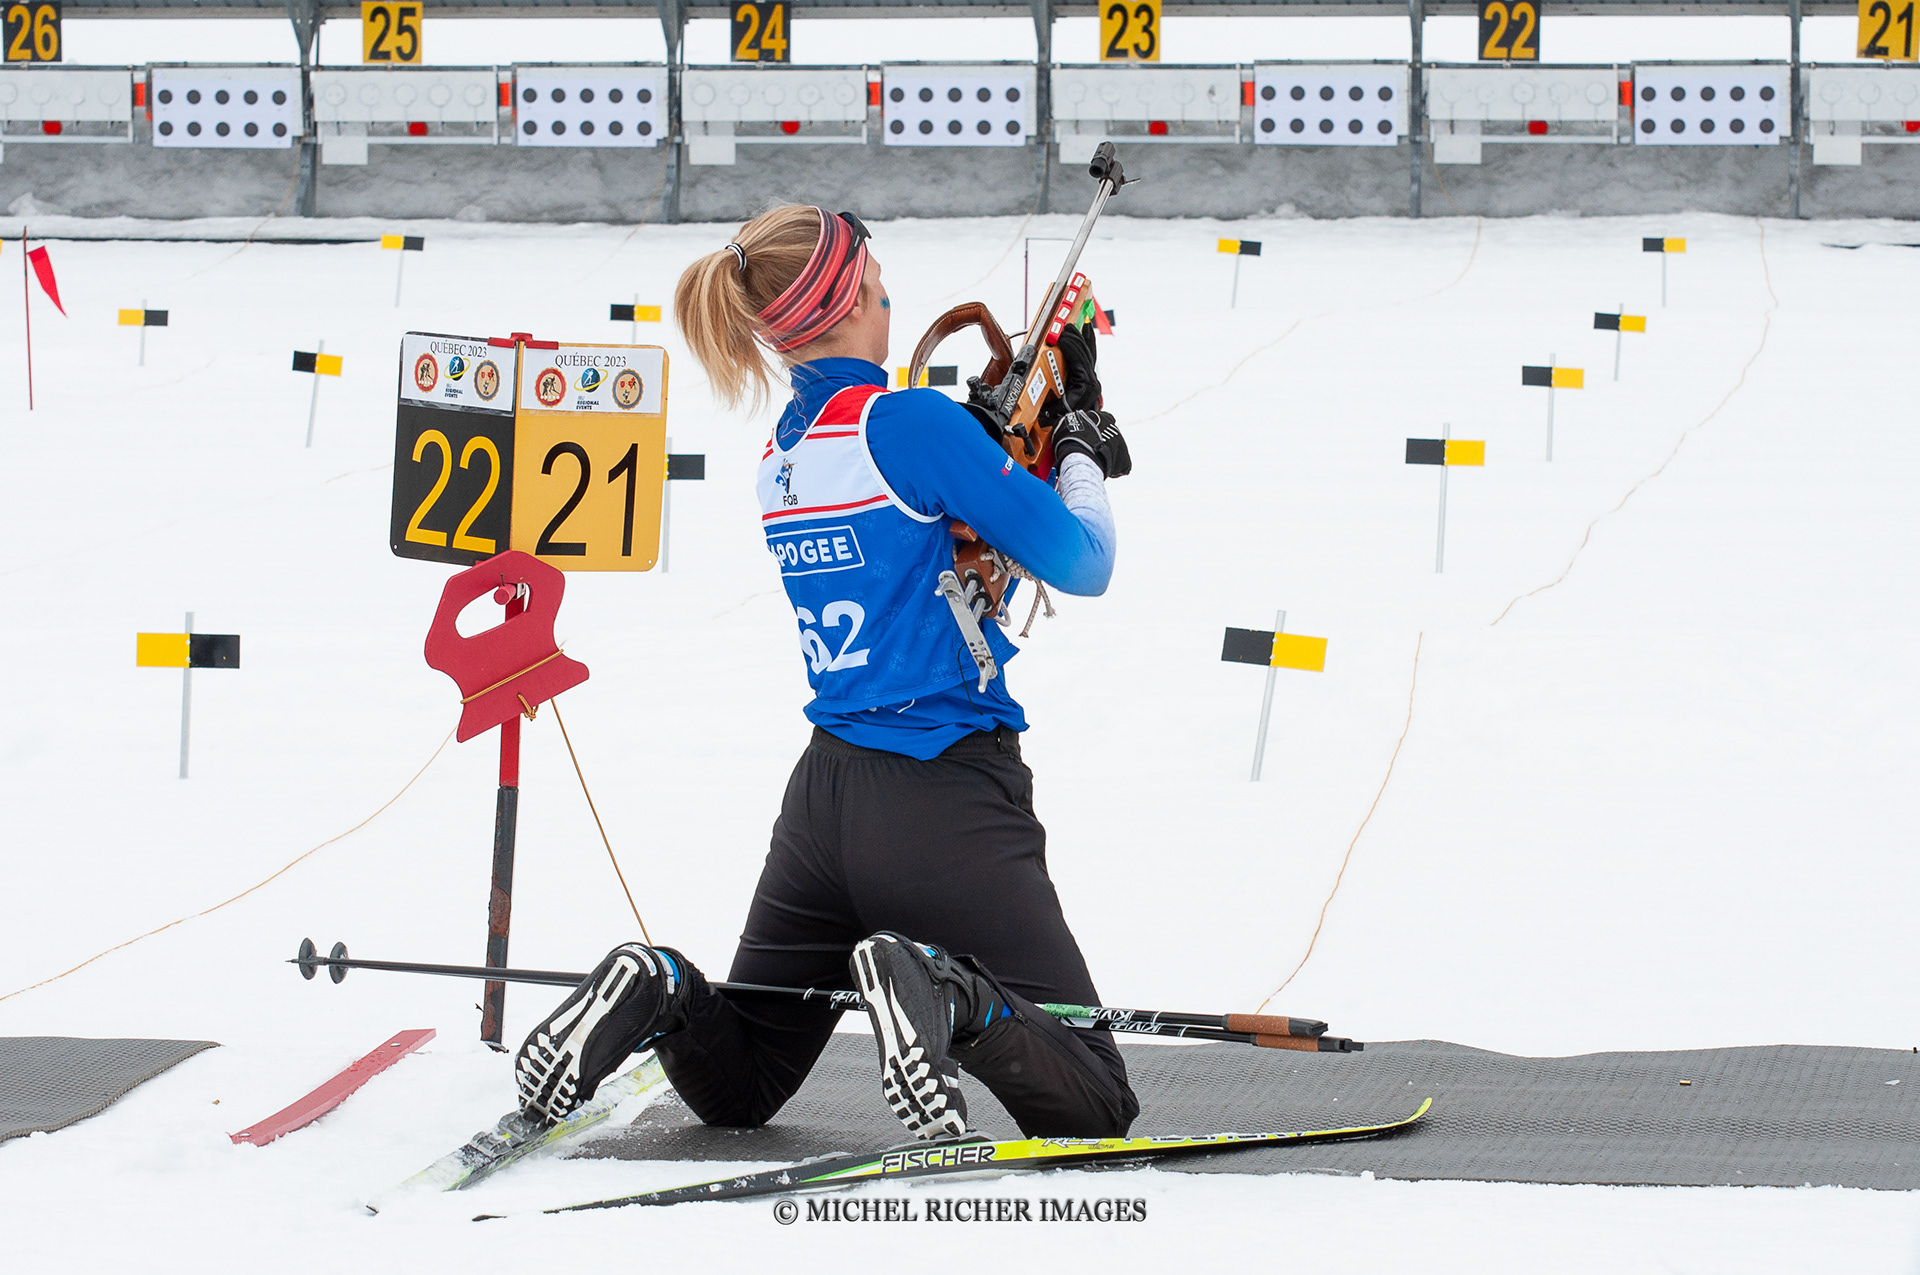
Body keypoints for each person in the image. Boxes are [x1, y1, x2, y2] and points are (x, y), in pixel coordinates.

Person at [512, 205, 1137, 1143]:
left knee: (742, 1084)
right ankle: (944, 992)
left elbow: (924, 549)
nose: (890, 307)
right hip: (945, 795)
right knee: (1097, 1097)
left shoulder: (784, 454)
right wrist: (1079, 448)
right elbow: (1085, 561)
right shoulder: (913, 425)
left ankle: (660, 987)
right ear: (844, 307)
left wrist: (986, 451)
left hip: (822, 808)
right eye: (879, 291)